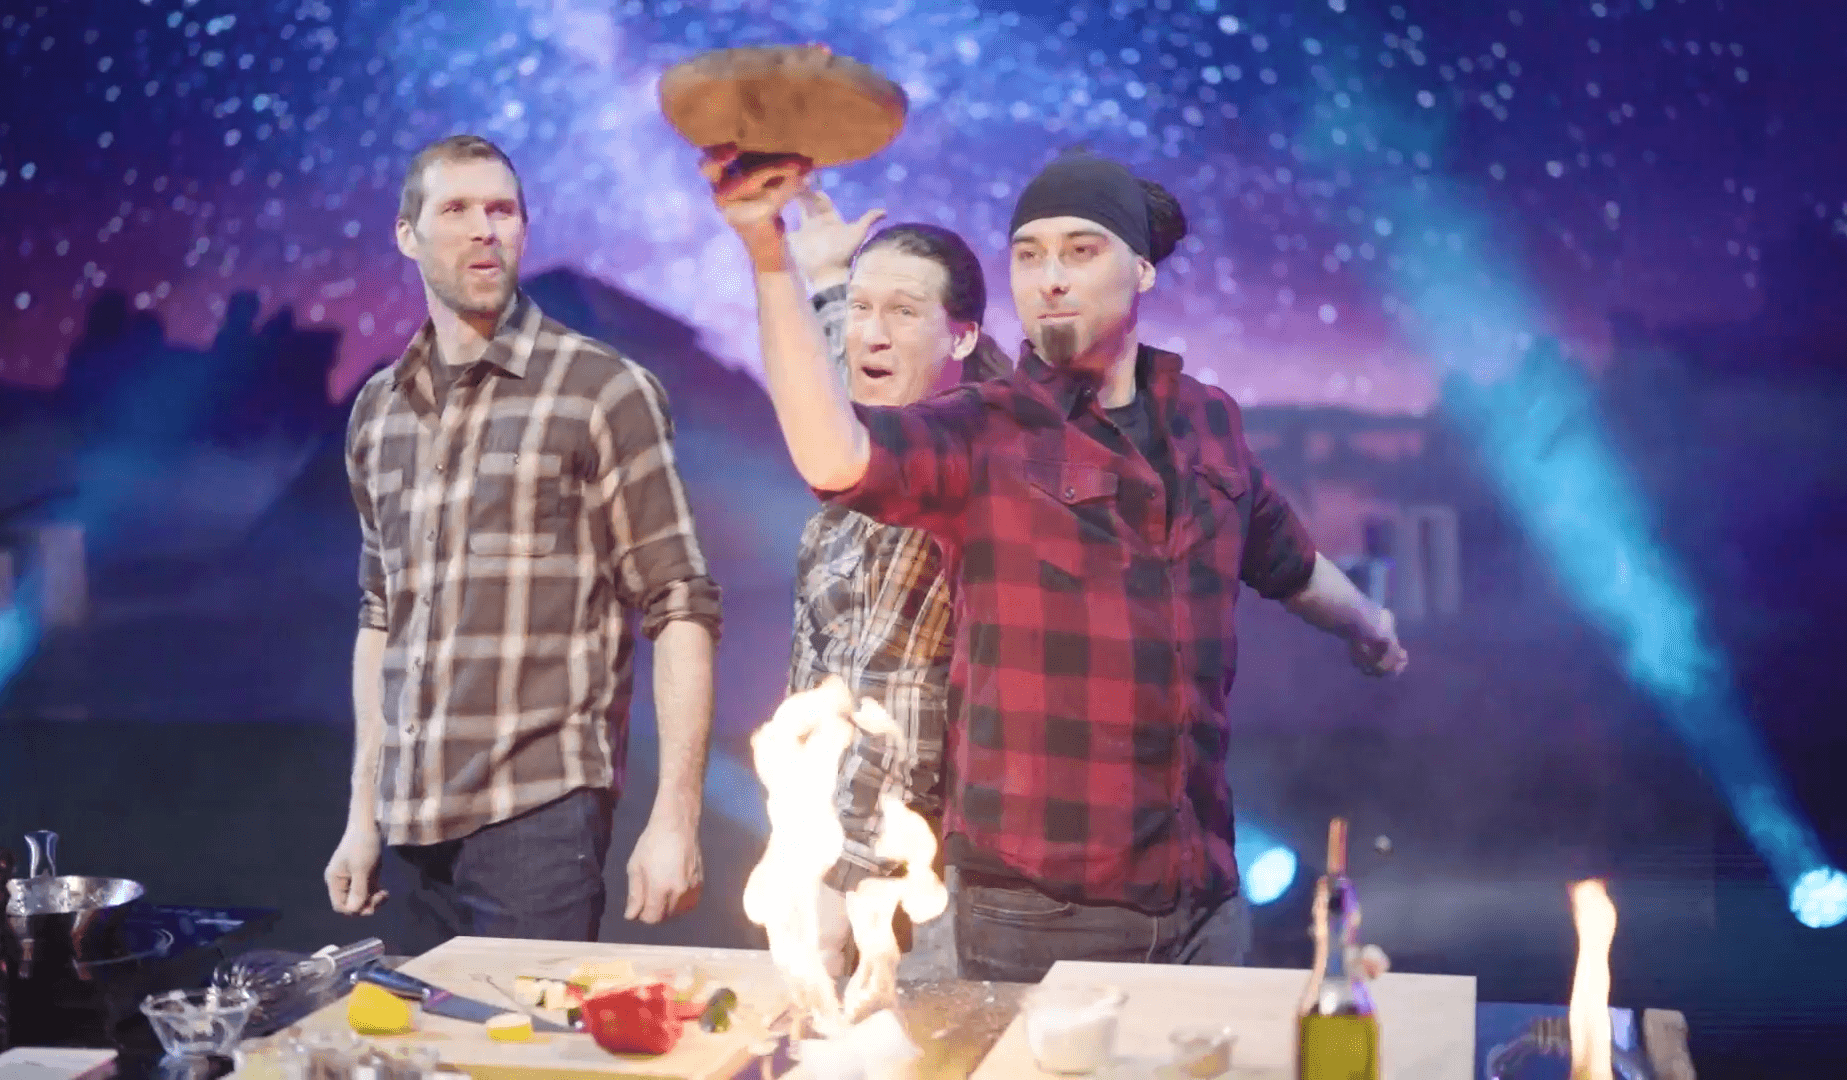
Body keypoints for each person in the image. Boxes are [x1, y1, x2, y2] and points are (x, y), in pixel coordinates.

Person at [708, 148, 1408, 982]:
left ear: (1141, 268)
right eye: (1029, 255)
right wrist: (771, 258)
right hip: (1035, 914)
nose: (1050, 278)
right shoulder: (984, 429)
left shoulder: (1208, 422)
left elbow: (1288, 561)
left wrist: (1370, 626)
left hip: (1205, 901)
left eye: (1081, 251)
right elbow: (836, 450)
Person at [325, 134, 721, 954]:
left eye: (501, 210)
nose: (484, 229)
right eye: (456, 209)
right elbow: (381, 617)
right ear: (407, 234)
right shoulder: (378, 412)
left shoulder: (601, 390)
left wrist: (676, 816)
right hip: (411, 830)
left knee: (530, 1031)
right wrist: (363, 814)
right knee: (419, 1034)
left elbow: (679, 601)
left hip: (540, 818)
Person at [781, 188, 1012, 983]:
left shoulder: (958, 471)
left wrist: (843, 888)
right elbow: (842, 382)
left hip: (912, 895)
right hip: (829, 857)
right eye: (861, 308)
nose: (870, 333)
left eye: (905, 313)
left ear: (964, 335)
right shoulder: (858, 469)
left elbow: (890, 703)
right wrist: (823, 282)